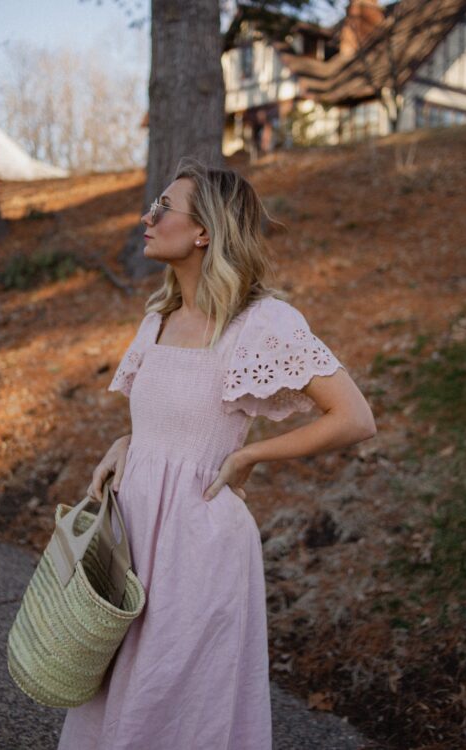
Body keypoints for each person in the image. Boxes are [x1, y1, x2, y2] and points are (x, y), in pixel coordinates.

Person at [56, 157, 377, 750]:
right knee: (116, 695)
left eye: (162, 209)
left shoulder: (261, 322)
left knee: (176, 702)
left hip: (197, 544)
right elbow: (171, 417)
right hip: (130, 539)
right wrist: (128, 440)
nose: (146, 218)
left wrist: (250, 458)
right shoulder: (157, 320)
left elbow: (355, 417)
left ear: (204, 231)